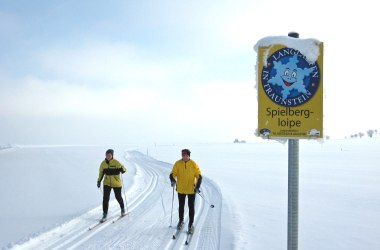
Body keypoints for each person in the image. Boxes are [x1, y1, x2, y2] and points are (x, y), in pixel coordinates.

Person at [169, 149, 202, 233]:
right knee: (181, 206)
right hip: (181, 189)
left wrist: (197, 186)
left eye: (186, 155)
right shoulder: (178, 163)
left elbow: (199, 176)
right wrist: (173, 180)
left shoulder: (193, 164)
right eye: (183, 155)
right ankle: (181, 221)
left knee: (191, 207)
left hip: (191, 189)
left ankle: (191, 224)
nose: (184, 157)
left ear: (189, 156)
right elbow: (173, 174)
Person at [97, 149, 127, 222]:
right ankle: (104, 214)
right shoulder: (103, 164)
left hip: (116, 183)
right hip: (107, 183)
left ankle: (122, 209)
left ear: (112, 155)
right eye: (107, 155)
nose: (108, 157)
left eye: (109, 155)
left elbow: (124, 169)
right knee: (105, 199)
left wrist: (121, 169)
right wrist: (99, 181)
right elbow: (101, 173)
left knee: (118, 197)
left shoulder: (116, 162)